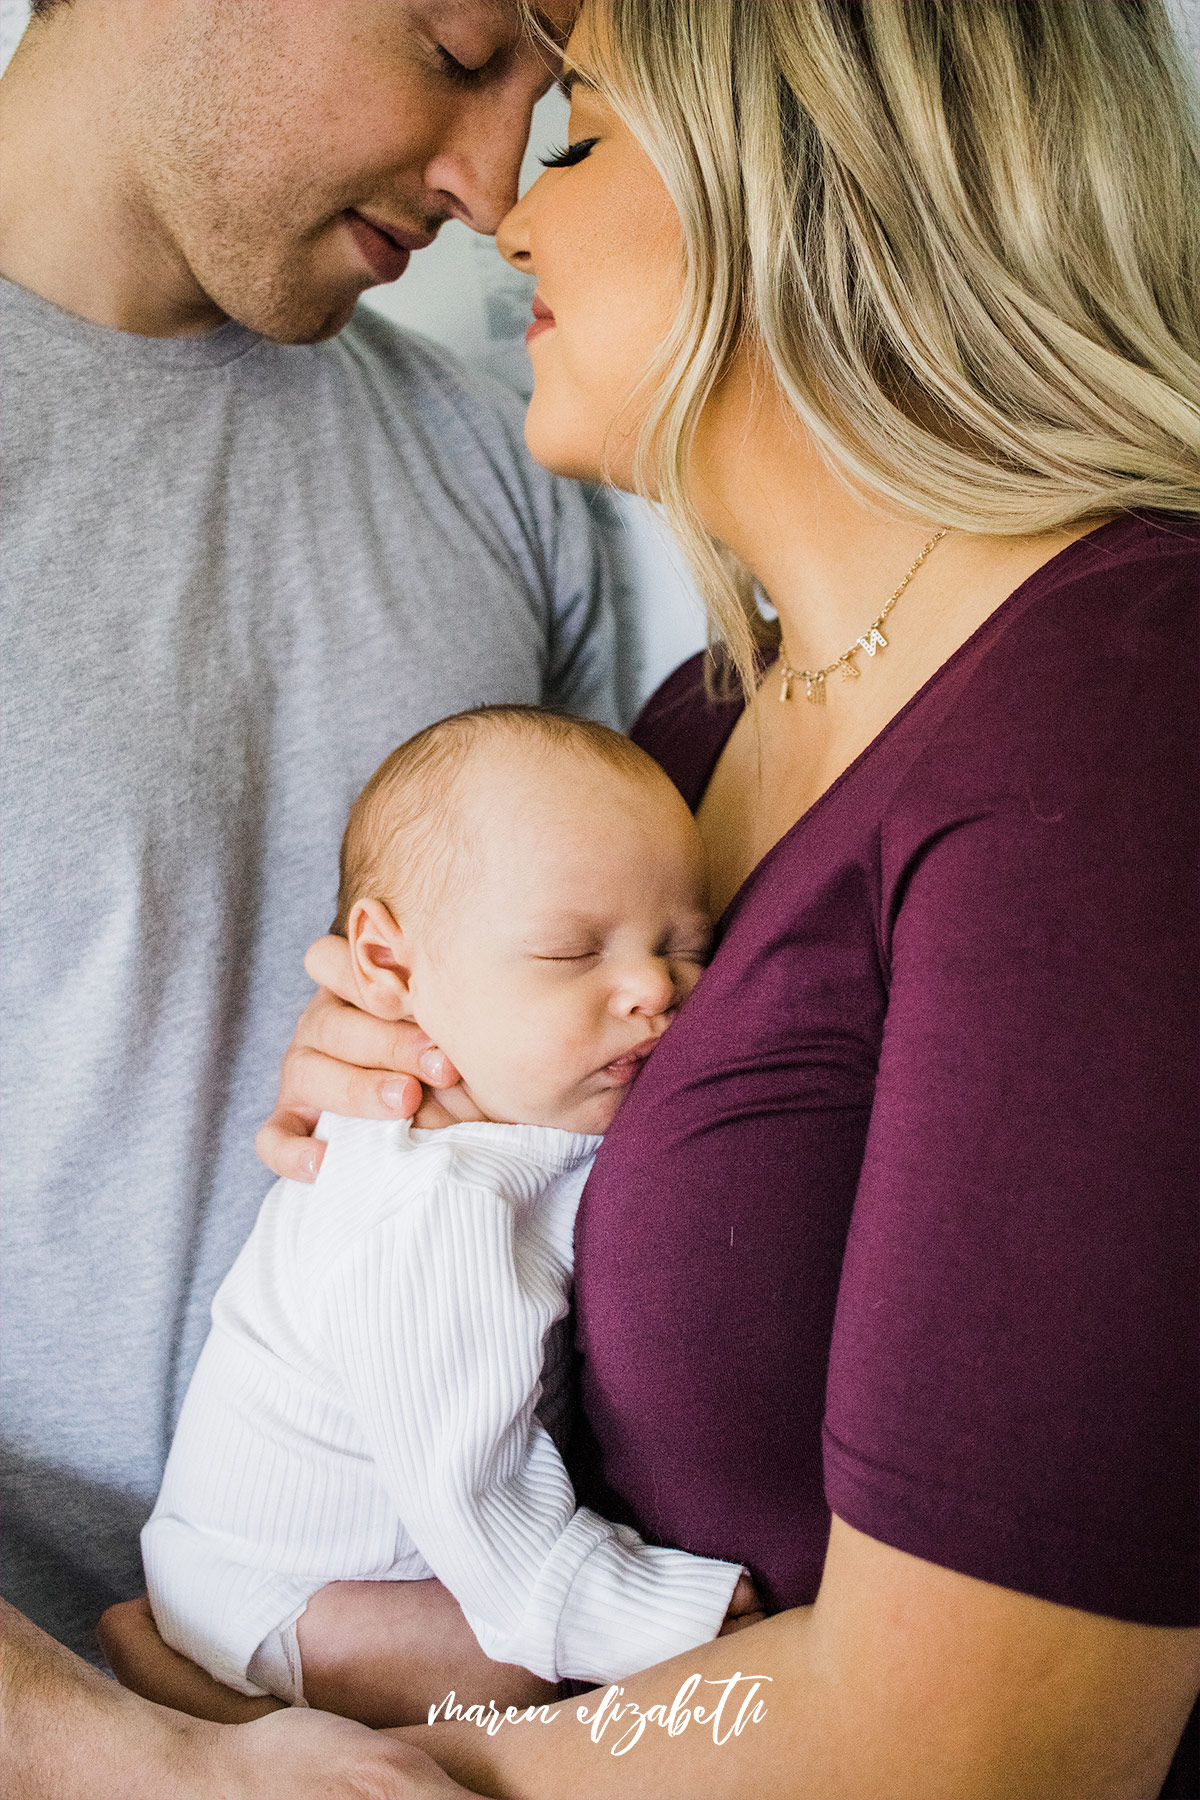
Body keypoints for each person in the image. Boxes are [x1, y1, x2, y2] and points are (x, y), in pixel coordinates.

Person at [115, 2, 1197, 1795]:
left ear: (815, 177)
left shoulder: (1125, 704)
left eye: (584, 136)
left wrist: (233, 1769)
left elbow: (990, 1745)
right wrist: (431, 1112)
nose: (509, 215)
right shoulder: (688, 738)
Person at [0, 0, 624, 1795]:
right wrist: (139, 1765)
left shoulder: (506, 472)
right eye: (452, 51)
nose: (500, 185)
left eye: (549, 97)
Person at [143, 706, 756, 1716]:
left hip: (326, 1568)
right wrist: (677, 1618)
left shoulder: (527, 1107)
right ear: (387, 967)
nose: (651, 985)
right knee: (524, 1670)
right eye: (569, 952)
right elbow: (480, 1505)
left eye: (686, 947)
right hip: (267, 1597)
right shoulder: (432, 1204)